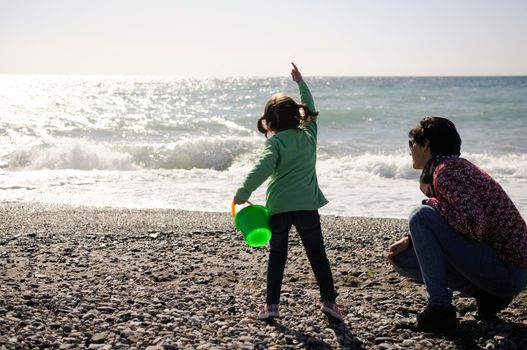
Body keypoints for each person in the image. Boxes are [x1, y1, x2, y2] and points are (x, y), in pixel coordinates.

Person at [388, 116, 527, 331]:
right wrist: (410, 238)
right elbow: (460, 221)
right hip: (500, 268)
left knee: (420, 215)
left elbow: (474, 226)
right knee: (403, 259)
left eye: (412, 142)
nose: (409, 149)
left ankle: (440, 309)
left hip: (509, 270)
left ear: (426, 145)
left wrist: (431, 203)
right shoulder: (453, 167)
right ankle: (487, 296)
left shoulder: (447, 172)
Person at [233, 63, 343, 323]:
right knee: (317, 254)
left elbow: (262, 168)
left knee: (277, 256)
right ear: (299, 116)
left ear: (269, 123)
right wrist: (301, 83)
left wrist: (243, 192)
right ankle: (329, 302)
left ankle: (271, 306)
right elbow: (312, 109)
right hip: (307, 206)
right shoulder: (309, 134)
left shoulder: (275, 142)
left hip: (279, 208)